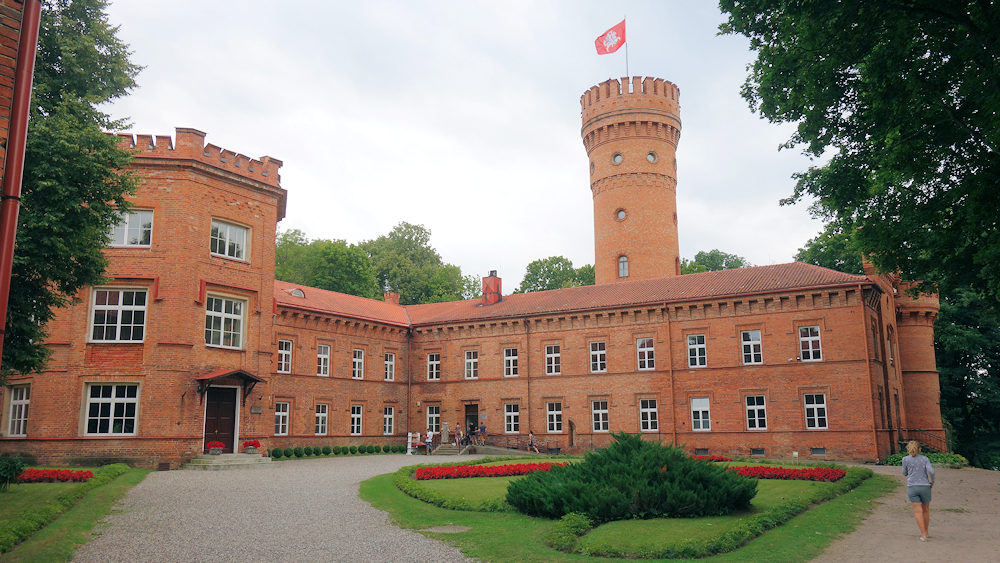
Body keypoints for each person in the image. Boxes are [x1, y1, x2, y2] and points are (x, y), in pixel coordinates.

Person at [901, 440, 935, 541]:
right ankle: (926, 531)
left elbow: (904, 472)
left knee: (918, 511)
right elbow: (931, 471)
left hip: (912, 487)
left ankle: (923, 534)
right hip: (925, 486)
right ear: (920, 449)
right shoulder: (925, 459)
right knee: (926, 510)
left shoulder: (905, 459)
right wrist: (932, 481)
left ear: (908, 449)